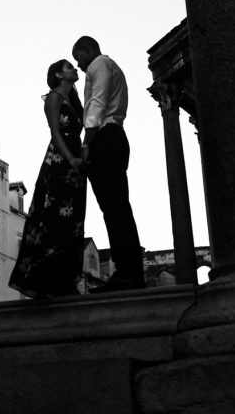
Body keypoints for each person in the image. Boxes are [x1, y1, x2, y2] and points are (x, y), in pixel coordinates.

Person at [8, 59, 87, 298]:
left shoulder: (73, 99)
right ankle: (49, 279)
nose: (74, 69)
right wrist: (71, 159)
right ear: (58, 74)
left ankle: (65, 280)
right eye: (69, 67)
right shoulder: (54, 98)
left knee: (73, 220)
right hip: (60, 161)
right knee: (55, 217)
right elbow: (54, 131)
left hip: (75, 161)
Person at [72, 35, 145, 291]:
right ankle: (129, 270)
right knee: (116, 208)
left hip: (105, 137)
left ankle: (128, 273)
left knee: (114, 208)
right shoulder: (111, 66)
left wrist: (86, 143)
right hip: (113, 136)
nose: (79, 65)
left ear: (88, 50)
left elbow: (97, 104)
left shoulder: (99, 65)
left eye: (78, 58)